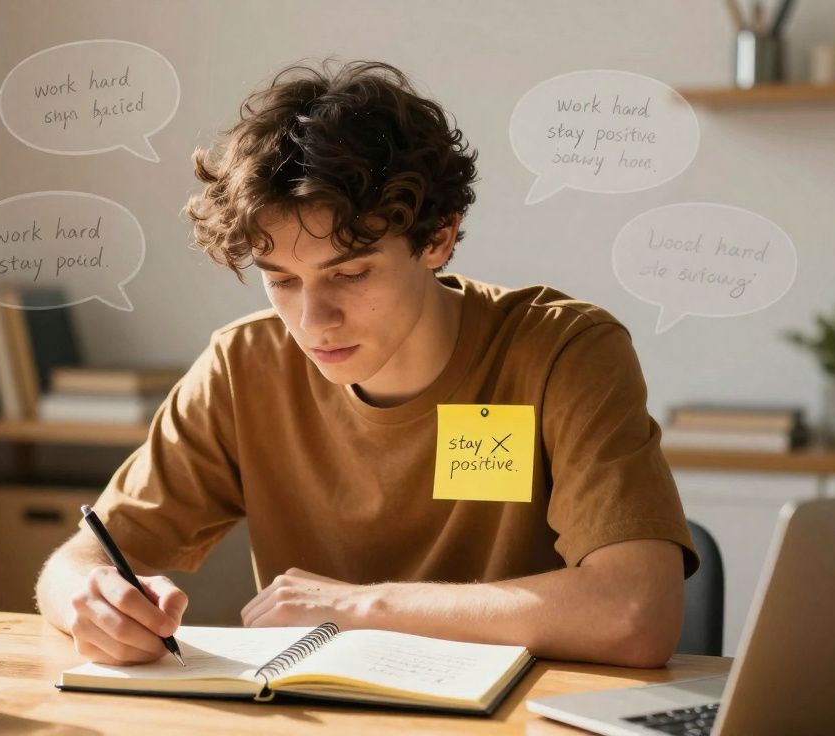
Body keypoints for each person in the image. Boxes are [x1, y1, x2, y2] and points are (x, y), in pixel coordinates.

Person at [36, 59, 698, 669]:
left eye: (350, 273)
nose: (311, 322)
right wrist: (87, 601)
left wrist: (360, 608)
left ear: (437, 237)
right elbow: (81, 559)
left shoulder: (561, 351)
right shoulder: (243, 366)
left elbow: (636, 612)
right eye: (283, 281)